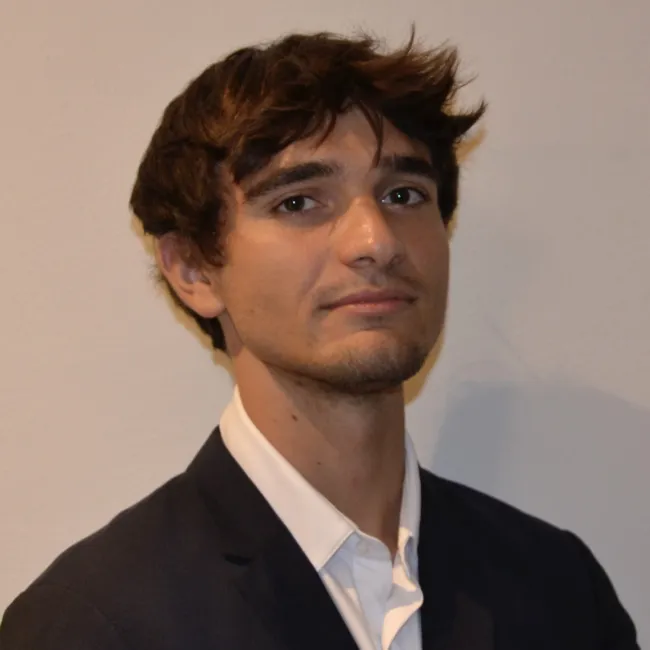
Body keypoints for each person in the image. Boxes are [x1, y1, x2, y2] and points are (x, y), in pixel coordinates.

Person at [0, 29, 639, 650]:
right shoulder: (95, 625)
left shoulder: (560, 588)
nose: (376, 241)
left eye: (404, 194)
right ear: (194, 269)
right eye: (299, 203)